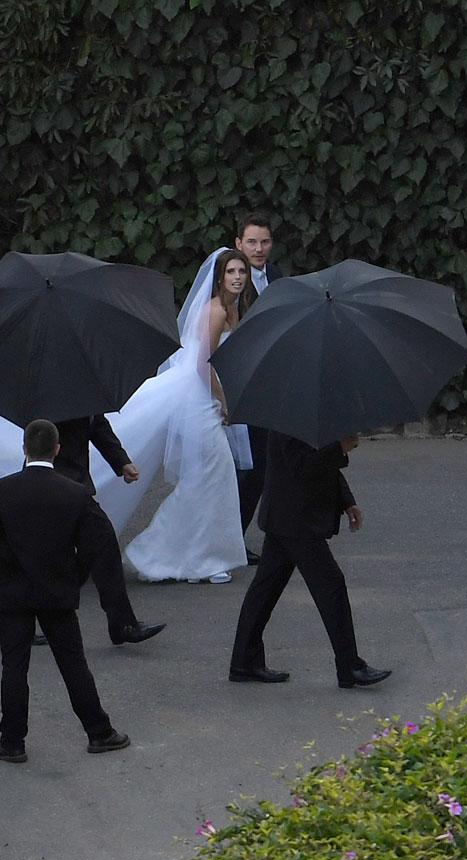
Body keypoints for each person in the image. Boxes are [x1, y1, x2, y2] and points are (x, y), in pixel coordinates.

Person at [0, 419, 132, 762]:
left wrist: (17, 563)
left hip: (14, 592)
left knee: (14, 667)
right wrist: (71, 573)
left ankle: (12, 741)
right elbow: (96, 541)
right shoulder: (75, 493)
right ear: (58, 449)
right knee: (73, 664)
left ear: (24, 449)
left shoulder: (3, 488)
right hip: (57, 591)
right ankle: (99, 731)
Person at [118, 247, 249, 583]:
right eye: (232, 272)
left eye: (241, 272)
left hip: (203, 398)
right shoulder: (216, 311)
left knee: (208, 480)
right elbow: (203, 364)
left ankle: (199, 558)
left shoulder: (233, 309)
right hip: (198, 401)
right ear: (220, 277)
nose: (237, 277)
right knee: (211, 476)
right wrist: (223, 402)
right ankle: (158, 553)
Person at [0, 413, 166, 647]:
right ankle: (121, 623)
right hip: (54, 482)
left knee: (100, 542)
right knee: (37, 548)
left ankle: (121, 623)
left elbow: (96, 422)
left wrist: (121, 461)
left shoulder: (80, 387)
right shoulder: (47, 389)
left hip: (69, 483)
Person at [228, 431, 391, 689]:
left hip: (286, 515)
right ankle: (349, 665)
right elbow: (302, 467)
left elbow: (314, 462)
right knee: (331, 584)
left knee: (265, 589)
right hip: (294, 518)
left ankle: (244, 661)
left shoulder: (299, 410)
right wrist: (340, 448)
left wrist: (347, 500)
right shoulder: (288, 418)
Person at [233, 212, 283, 565]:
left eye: (264, 241)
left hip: (274, 385)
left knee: (270, 463)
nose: (259, 248)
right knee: (250, 468)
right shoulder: (233, 280)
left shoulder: (278, 278)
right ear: (238, 244)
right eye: (252, 241)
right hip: (243, 387)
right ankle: (233, 538)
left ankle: (271, 532)